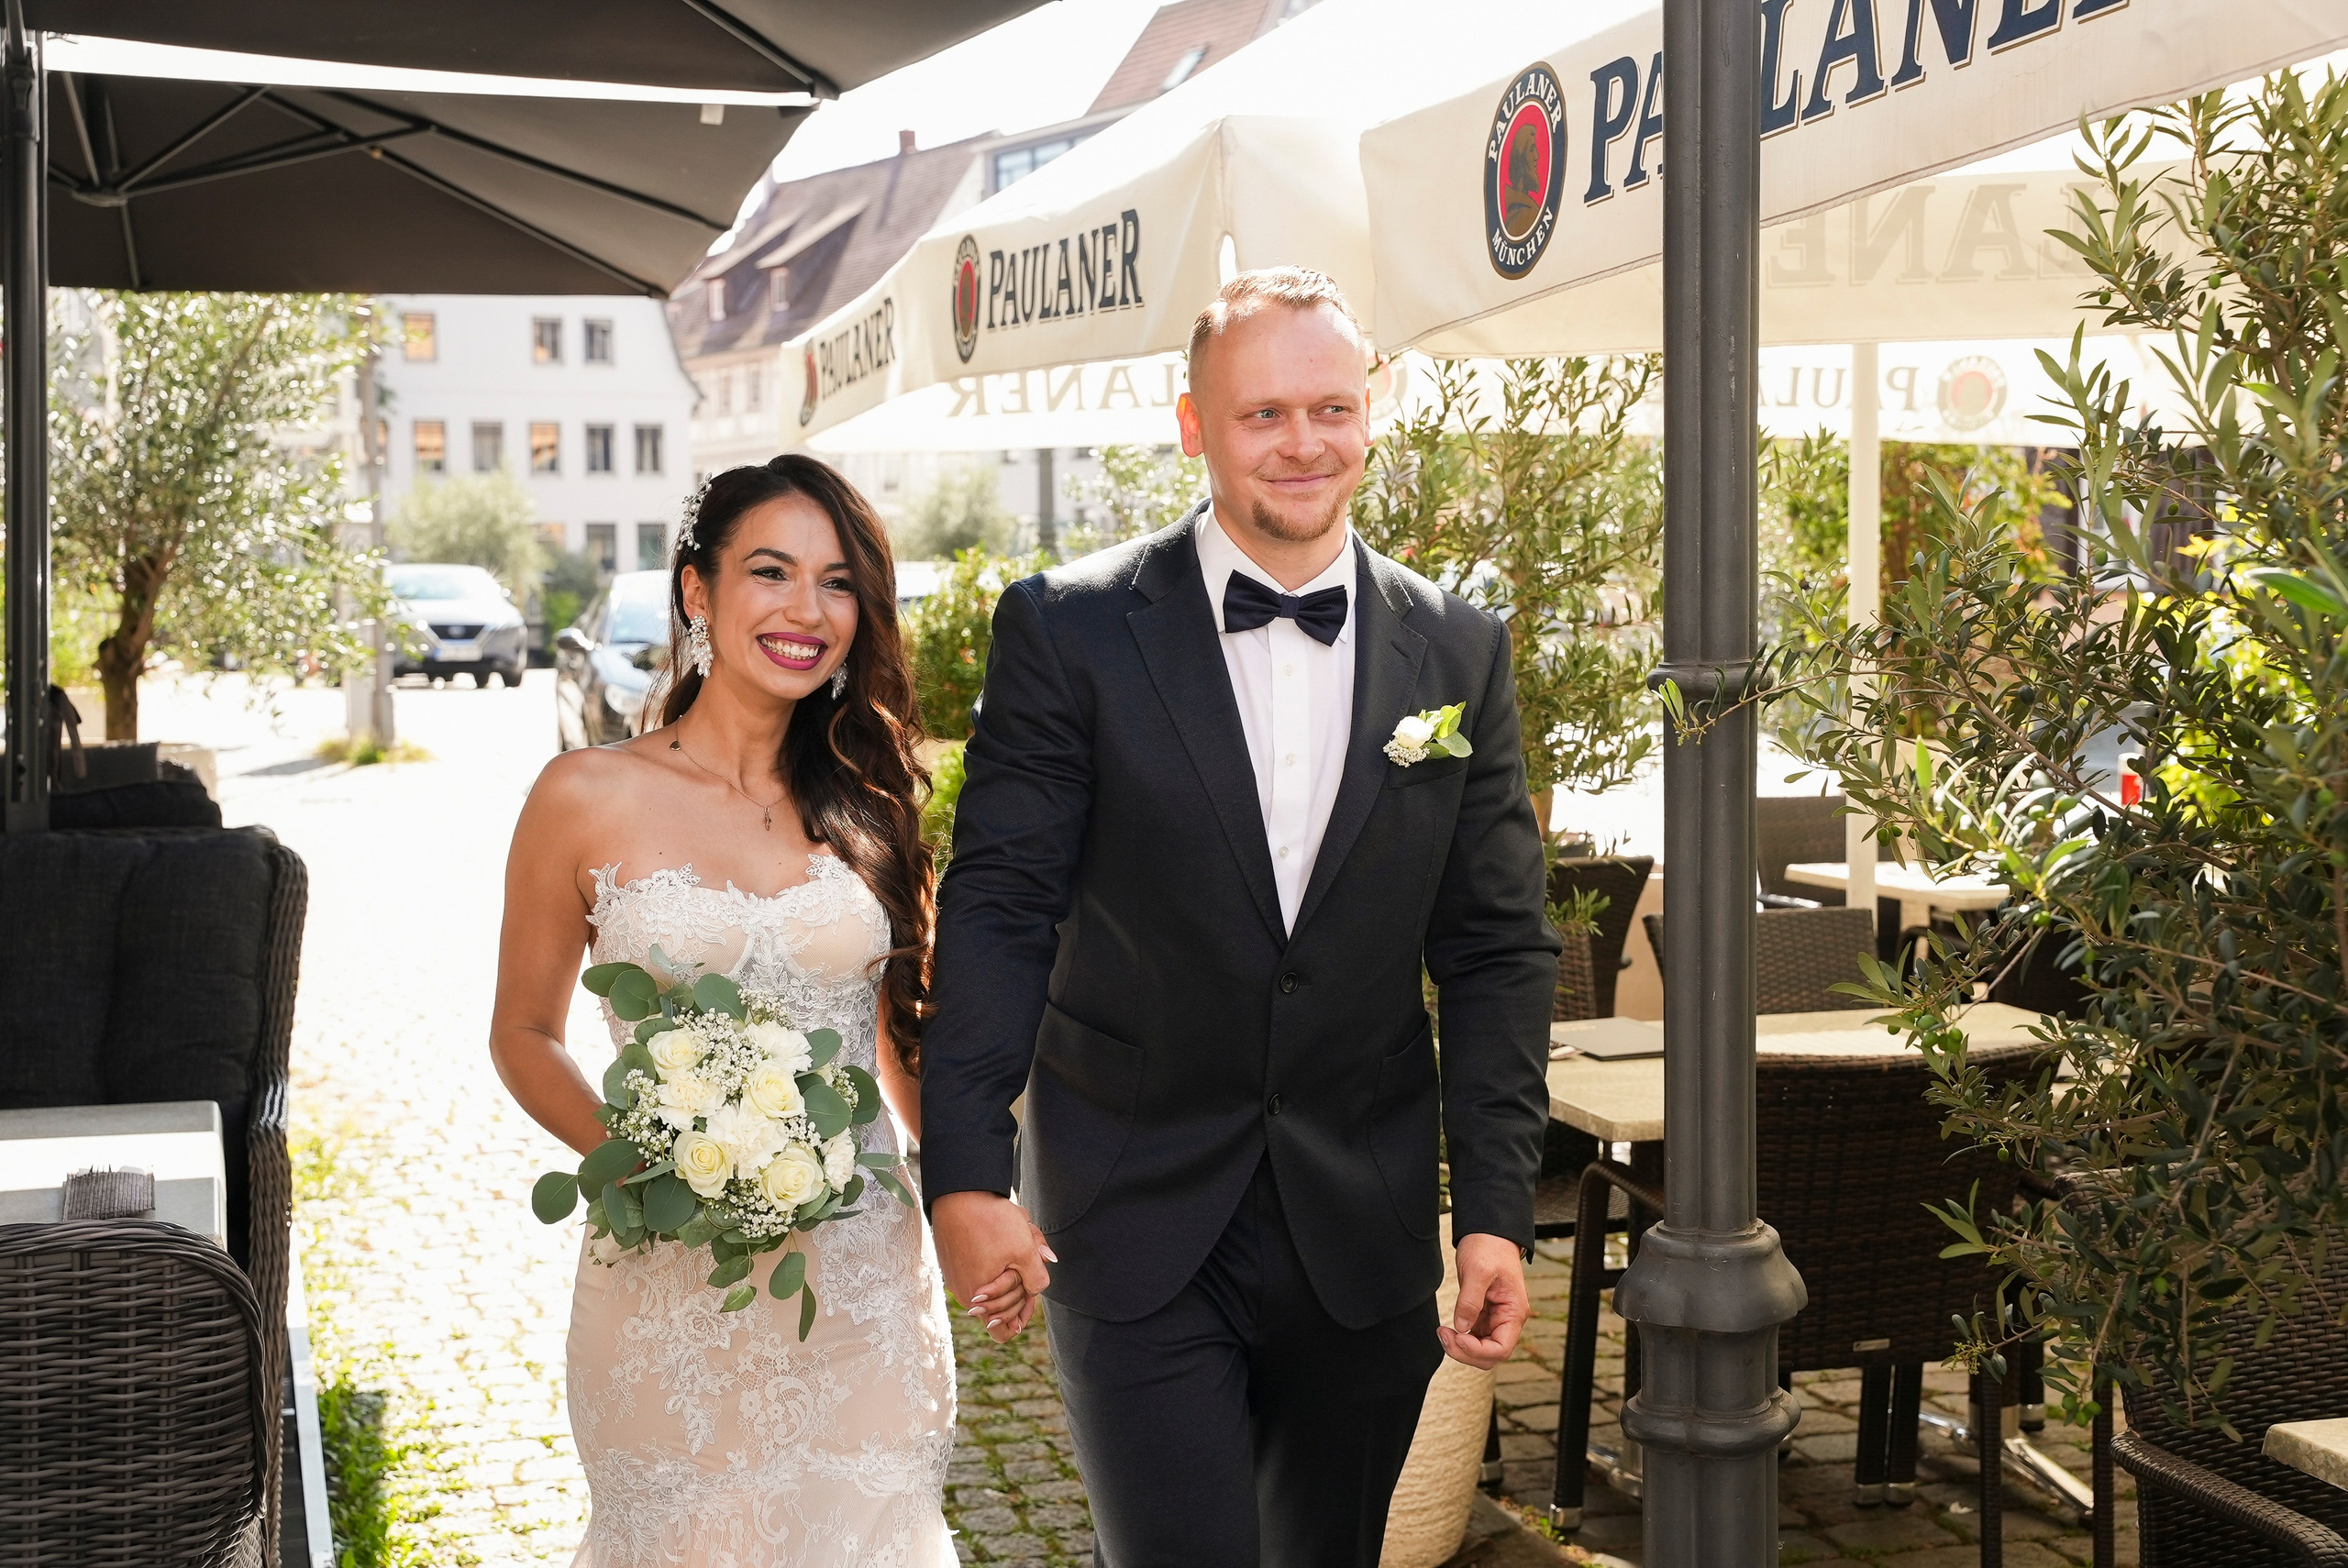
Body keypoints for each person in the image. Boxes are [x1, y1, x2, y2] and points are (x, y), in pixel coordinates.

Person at [922, 269, 1559, 1566]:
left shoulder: (1459, 650)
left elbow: (1493, 947)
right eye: (1264, 411)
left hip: (1362, 1222)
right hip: (1134, 1206)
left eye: (1331, 406)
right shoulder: (1071, 630)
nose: (1304, 441)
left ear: (1372, 413)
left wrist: (1494, 1205)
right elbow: (1000, 907)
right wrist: (968, 1170)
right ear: (1191, 424)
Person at [491, 458, 1004, 1566]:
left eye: (836, 583)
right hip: (666, 1281)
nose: (805, 611)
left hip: (859, 1284)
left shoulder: (876, 803)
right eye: (770, 572)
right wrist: (643, 1163)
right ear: (696, 591)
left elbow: (904, 1048)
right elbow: (523, 1034)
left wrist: (982, 1200)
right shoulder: (583, 795)